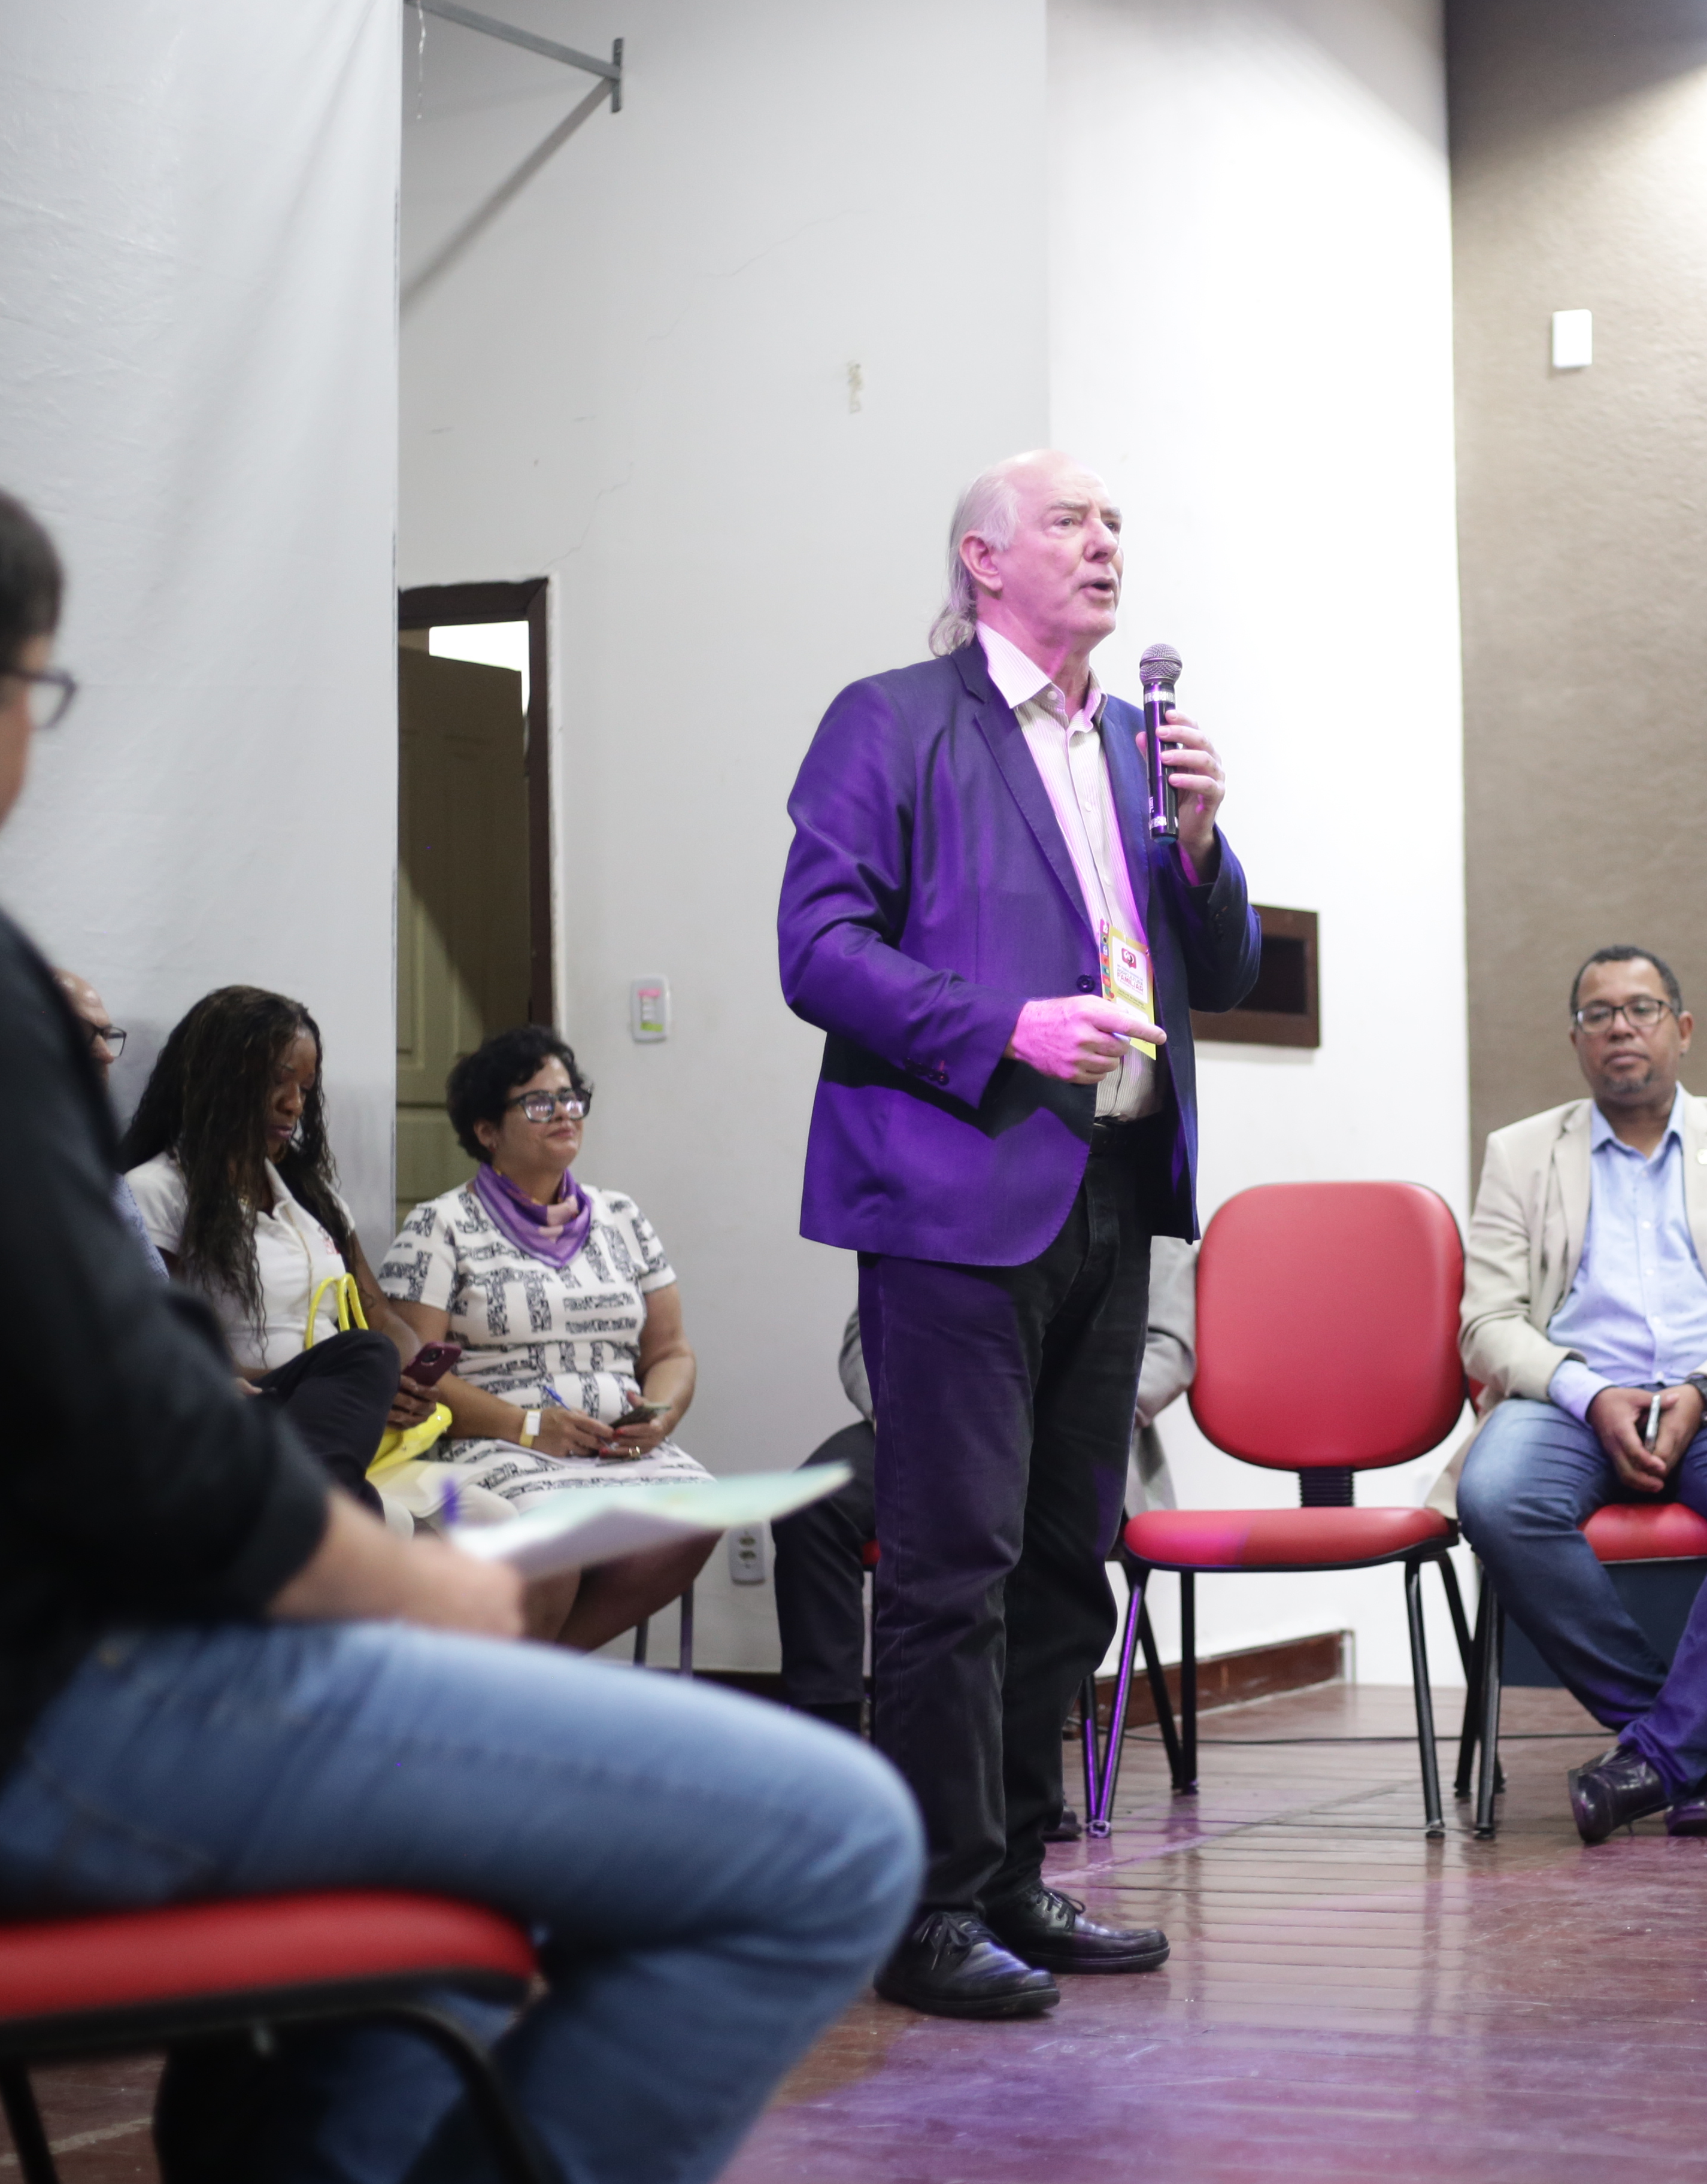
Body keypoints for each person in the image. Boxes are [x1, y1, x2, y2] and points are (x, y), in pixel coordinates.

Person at [0, 444, 917, 2183]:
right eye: (38, 694)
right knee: (834, 1839)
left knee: (443, 1892)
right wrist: (419, 1592)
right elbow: (129, 1435)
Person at [778, 449, 1261, 2019]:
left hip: (1114, 1197)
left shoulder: (1134, 745)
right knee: (950, 1565)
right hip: (954, 1196)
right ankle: (921, 1908)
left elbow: (1222, 968)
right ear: (985, 559)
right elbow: (817, 949)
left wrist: (1202, 845)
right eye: (1070, 521)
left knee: (1064, 1560)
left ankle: (1010, 1879)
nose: (1106, 540)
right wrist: (1005, 1026)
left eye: (1118, 521)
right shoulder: (891, 721)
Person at [1458, 945, 1707, 1843]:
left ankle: (1659, 1755)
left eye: (1642, 1009)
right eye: (1599, 1015)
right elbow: (1486, 1323)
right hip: (1573, 1402)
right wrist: (1589, 1395)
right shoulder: (1521, 1154)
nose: (1621, 1028)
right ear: (1576, 1040)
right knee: (1496, 1496)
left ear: (1683, 1028)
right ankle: (1685, 1750)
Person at [377, 1026, 720, 1651]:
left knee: (702, 1514)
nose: (564, 1113)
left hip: (618, 1449)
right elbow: (418, 1373)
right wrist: (530, 1426)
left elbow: (671, 1351)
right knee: (552, 1541)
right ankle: (533, 1688)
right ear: (487, 1131)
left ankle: (531, 1679)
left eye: (570, 1097)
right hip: (496, 1444)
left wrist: (660, 1416)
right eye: (538, 1103)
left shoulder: (623, 1218)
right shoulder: (439, 1225)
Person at [775, 1238, 1194, 1737]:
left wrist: (1042, 1419)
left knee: (999, 1524)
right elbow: (867, 1330)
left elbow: (1168, 1351)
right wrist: (898, 1410)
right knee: (811, 1508)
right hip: (921, 1420)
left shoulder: (1138, 1212)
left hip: (1058, 1435)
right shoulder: (941, 1206)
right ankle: (827, 1733)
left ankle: (1010, 1736)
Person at [121, 985, 432, 1515]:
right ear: (215, 1076)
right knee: (362, 1363)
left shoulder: (313, 1197)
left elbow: (381, 1317)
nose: (294, 1105)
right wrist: (329, 1386)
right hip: (239, 1406)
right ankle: (310, 1511)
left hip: (327, 1418)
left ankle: (304, 1508)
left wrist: (403, 1380)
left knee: (371, 1356)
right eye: (275, 1081)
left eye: (305, 1089)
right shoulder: (158, 1191)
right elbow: (164, 1344)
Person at [56, 966, 168, 1273]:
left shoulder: (109, 1185)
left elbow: (154, 1290)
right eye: (80, 1033)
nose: (106, 1055)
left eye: (106, 1036)